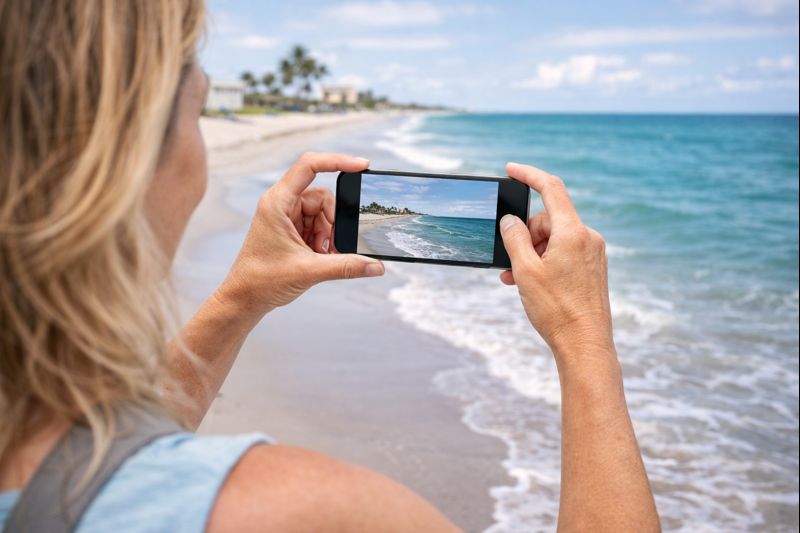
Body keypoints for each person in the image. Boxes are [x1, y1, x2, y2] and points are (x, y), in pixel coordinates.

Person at [0, 0, 660, 531]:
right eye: (197, 112)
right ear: (117, 163)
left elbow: (97, 453)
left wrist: (239, 298)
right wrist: (585, 339)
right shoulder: (304, 510)